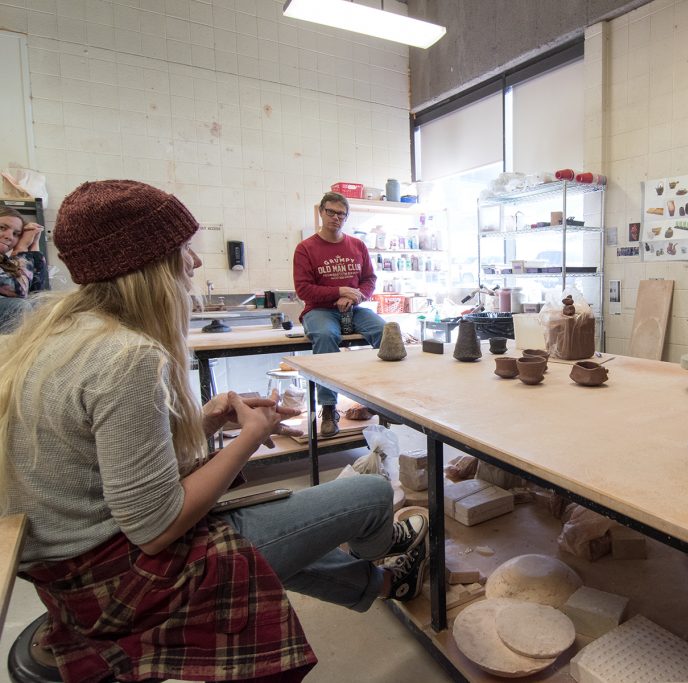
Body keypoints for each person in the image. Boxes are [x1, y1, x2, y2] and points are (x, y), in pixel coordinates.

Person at [0, 180, 428, 683]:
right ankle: (381, 544)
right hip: (124, 583)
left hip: (69, 571)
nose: (196, 263)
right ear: (150, 262)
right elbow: (156, 528)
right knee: (372, 493)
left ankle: (383, 583)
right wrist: (250, 437)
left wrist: (201, 421)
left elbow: (101, 455)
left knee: (292, 528)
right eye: (185, 250)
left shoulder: (57, 335)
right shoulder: (127, 356)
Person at [293, 191, 385, 436]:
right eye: (330, 212)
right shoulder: (306, 248)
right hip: (320, 310)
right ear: (321, 213)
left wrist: (356, 295)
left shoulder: (357, 245)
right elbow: (303, 289)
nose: (335, 217)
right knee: (324, 336)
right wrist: (339, 291)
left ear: (347, 217)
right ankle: (329, 408)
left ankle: (383, 400)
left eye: (341, 214)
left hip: (354, 309)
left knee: (386, 333)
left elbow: (369, 280)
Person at [0, 206, 46, 332]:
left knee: (42, 304)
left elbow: (39, 292)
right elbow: (19, 290)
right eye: (2, 228)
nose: (9, 236)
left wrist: (34, 245)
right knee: (17, 307)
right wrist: (21, 248)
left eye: (16, 234)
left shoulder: (4, 262)